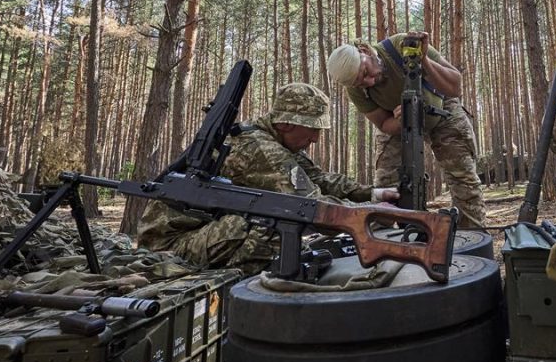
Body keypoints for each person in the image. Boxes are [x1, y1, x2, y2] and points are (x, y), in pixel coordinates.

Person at [138, 82, 398, 276]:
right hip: (171, 246)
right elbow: (312, 207)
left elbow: (318, 177)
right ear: (286, 124)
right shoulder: (260, 148)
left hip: (202, 232)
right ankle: (242, 280)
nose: (316, 138)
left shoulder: (273, 139)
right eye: (313, 128)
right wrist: (369, 213)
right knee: (274, 224)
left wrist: (373, 195)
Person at [327, 31, 485, 228]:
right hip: (398, 122)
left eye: (366, 73)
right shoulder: (355, 89)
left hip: (442, 107)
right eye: (360, 82)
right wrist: (401, 119)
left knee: (463, 179)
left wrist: (424, 59)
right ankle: (381, 242)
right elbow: (384, 124)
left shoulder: (401, 46)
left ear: (364, 50)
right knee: (385, 185)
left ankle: (472, 238)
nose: (368, 82)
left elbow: (454, 87)